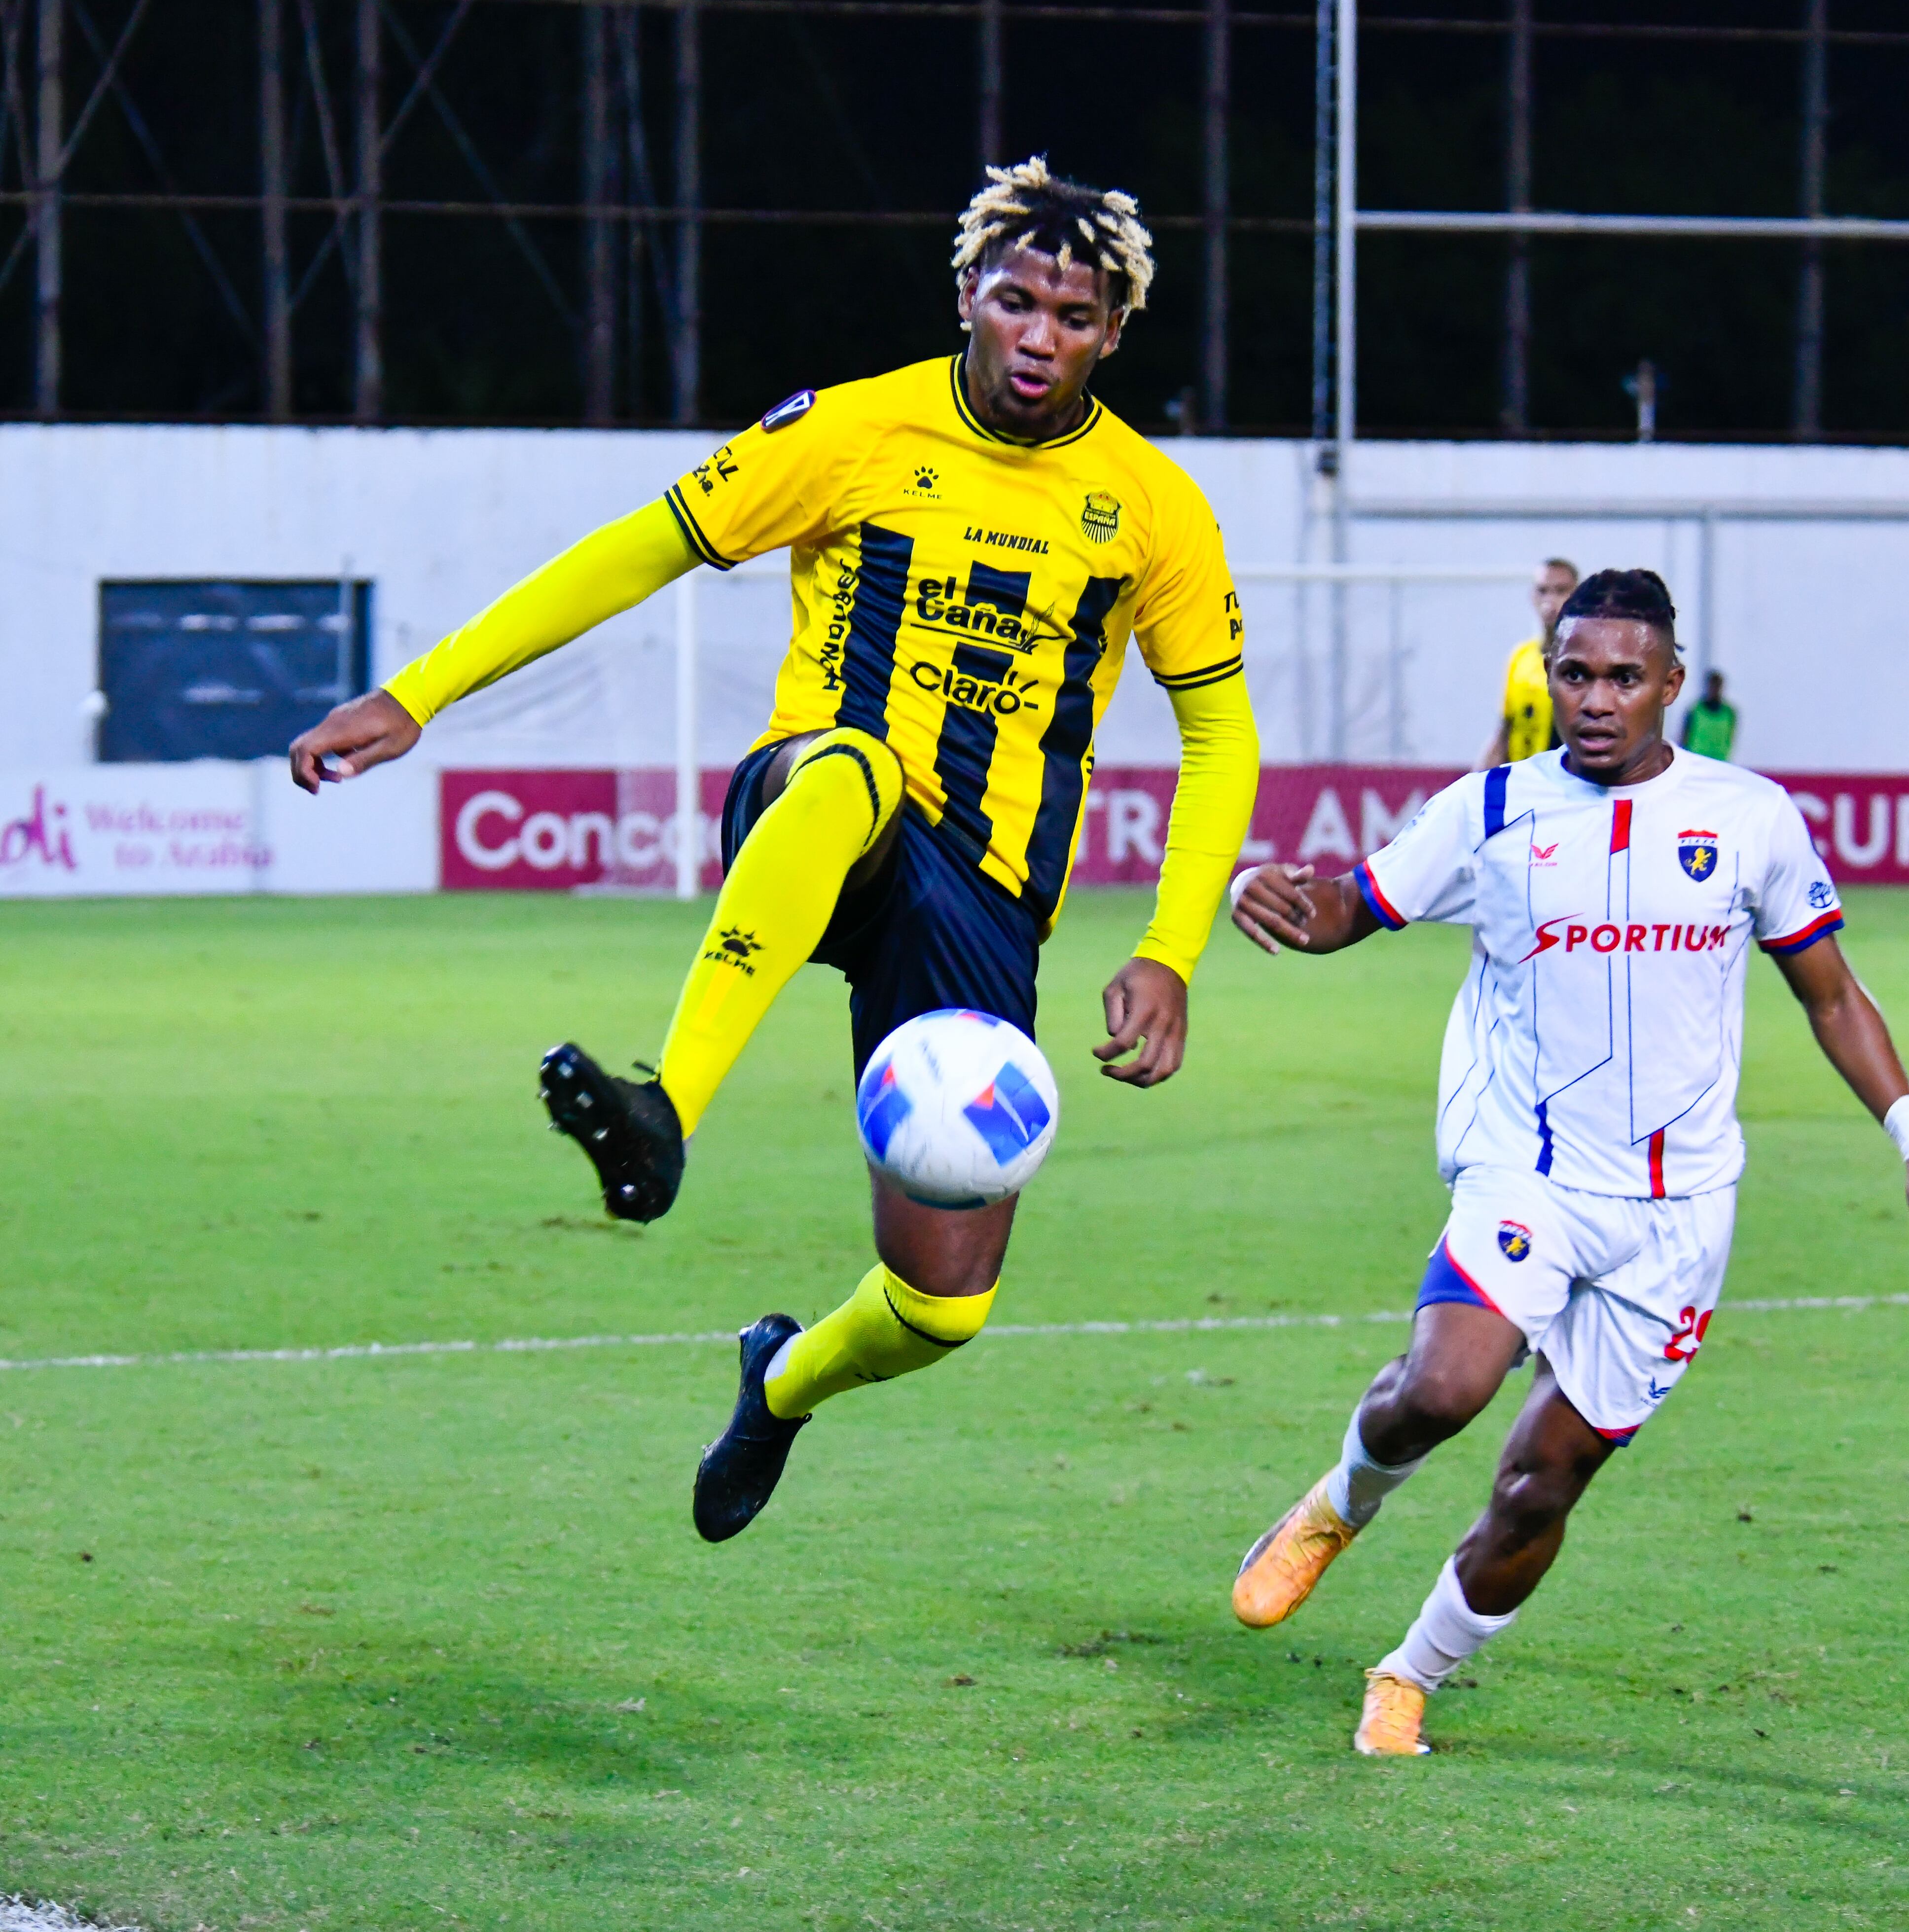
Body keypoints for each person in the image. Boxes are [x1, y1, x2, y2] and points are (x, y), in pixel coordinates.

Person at [287, 157, 1260, 1546]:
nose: (1041, 335)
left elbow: (1219, 738)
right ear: (969, 297)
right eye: (1018, 298)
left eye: (1078, 315)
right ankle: (663, 1110)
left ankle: (781, 1382)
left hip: (982, 894)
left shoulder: (1153, 507)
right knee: (854, 769)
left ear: (1114, 335)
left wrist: (1170, 950)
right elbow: (639, 550)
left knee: (942, 1302)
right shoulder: (851, 431)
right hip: (818, 804)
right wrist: (418, 693)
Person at [1225, 568, 1909, 1758]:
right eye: (1573, 672)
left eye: (1623, 677)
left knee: (1542, 1484)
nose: (1593, 698)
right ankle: (1342, 1501)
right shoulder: (1490, 809)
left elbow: (1831, 993)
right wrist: (1269, 894)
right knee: (1443, 1386)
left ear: (1670, 684)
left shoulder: (1750, 818)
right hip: (1525, 1173)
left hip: (1680, 1216)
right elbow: (1351, 904)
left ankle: (1409, 1670)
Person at [1479, 556, 1580, 768]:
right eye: (1543, 591)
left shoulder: (1586, 659)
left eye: (1561, 591)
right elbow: (1504, 731)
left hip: (1567, 784)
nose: (1550, 601)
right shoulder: (1520, 657)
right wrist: (1474, 782)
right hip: (1523, 783)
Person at [1682, 668, 1737, 760]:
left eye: (1717, 686)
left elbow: (1731, 738)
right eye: (1712, 686)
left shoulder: (1729, 713)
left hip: (1720, 761)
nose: (1715, 689)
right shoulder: (1695, 710)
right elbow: (1685, 736)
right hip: (1697, 760)